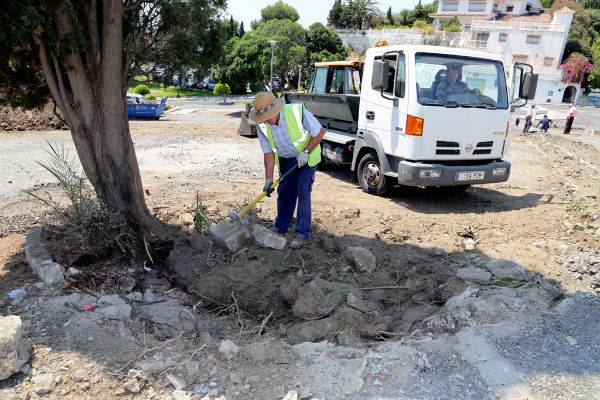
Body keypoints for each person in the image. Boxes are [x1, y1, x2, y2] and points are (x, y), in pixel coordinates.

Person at [249, 91, 326, 250]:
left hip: (307, 155)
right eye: (263, 118)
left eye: (269, 116)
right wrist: (268, 179)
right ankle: (280, 227)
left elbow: (320, 132)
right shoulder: (262, 125)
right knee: (285, 192)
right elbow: (268, 152)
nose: (267, 121)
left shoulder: (296, 112)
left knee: (303, 191)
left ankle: (301, 234)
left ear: (276, 110)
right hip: (286, 159)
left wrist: (305, 153)